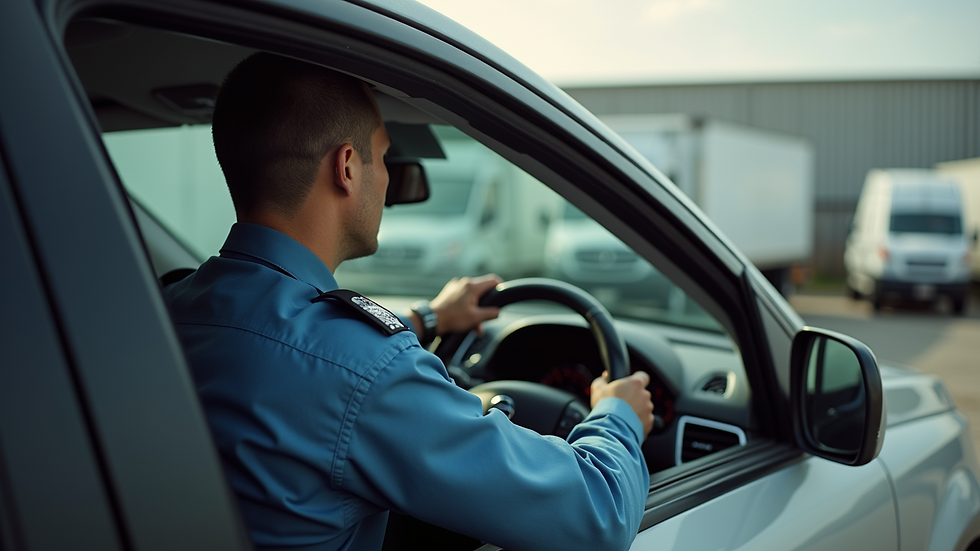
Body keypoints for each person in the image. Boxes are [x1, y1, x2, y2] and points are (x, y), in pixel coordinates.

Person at [164, 52, 654, 551]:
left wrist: (432, 317)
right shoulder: (368, 373)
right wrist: (618, 415)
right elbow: (600, 514)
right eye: (382, 156)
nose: (387, 177)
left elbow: (299, 348)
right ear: (348, 168)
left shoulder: (166, 308)